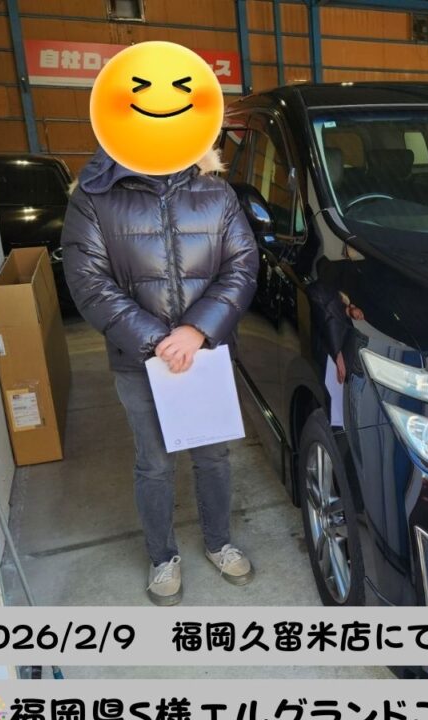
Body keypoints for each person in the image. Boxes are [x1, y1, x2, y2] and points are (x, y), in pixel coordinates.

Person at [61, 145, 259, 605]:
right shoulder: (94, 197)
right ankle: (162, 556)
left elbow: (243, 264)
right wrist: (157, 342)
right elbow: (88, 280)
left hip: (205, 355)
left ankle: (218, 542)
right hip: (139, 361)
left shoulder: (215, 192)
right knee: (154, 462)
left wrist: (197, 330)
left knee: (213, 456)